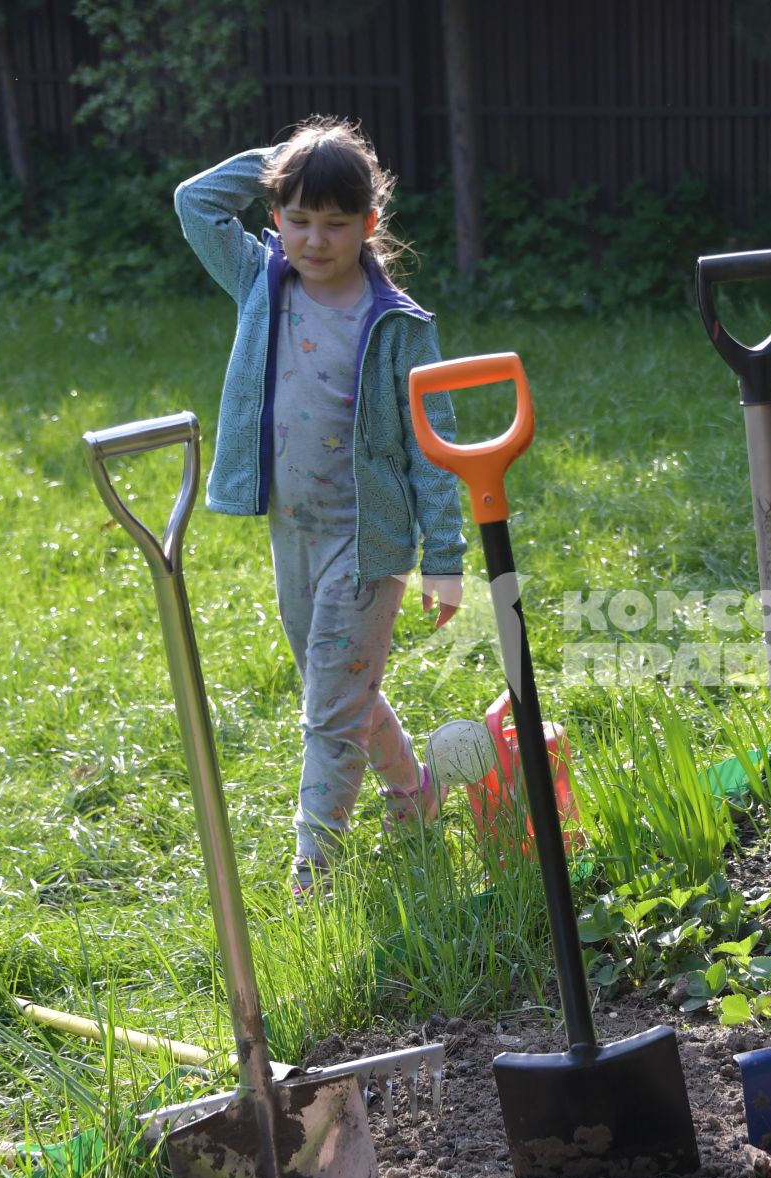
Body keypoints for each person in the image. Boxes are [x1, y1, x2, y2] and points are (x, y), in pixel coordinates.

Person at [174, 116, 466, 899]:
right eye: (297, 219)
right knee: (341, 684)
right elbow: (194, 203)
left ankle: (315, 873)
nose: (314, 239)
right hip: (291, 532)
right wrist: (288, 164)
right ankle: (415, 797)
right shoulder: (260, 282)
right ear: (275, 217)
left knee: (328, 709)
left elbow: (434, 450)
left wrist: (445, 560)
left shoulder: (399, 326)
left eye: (335, 223)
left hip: (367, 543)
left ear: (369, 225)